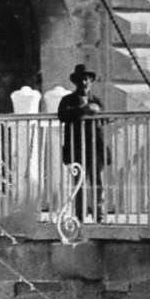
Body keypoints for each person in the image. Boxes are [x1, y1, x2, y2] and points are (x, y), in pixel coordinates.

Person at [57, 63, 105, 222]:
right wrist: (84, 110)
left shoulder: (97, 100)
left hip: (95, 147)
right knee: (79, 183)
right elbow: (63, 115)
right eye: (81, 80)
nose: (84, 83)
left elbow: (105, 119)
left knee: (98, 182)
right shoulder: (68, 100)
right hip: (76, 148)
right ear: (76, 82)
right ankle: (81, 216)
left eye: (87, 80)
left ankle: (100, 216)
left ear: (91, 81)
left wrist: (97, 111)